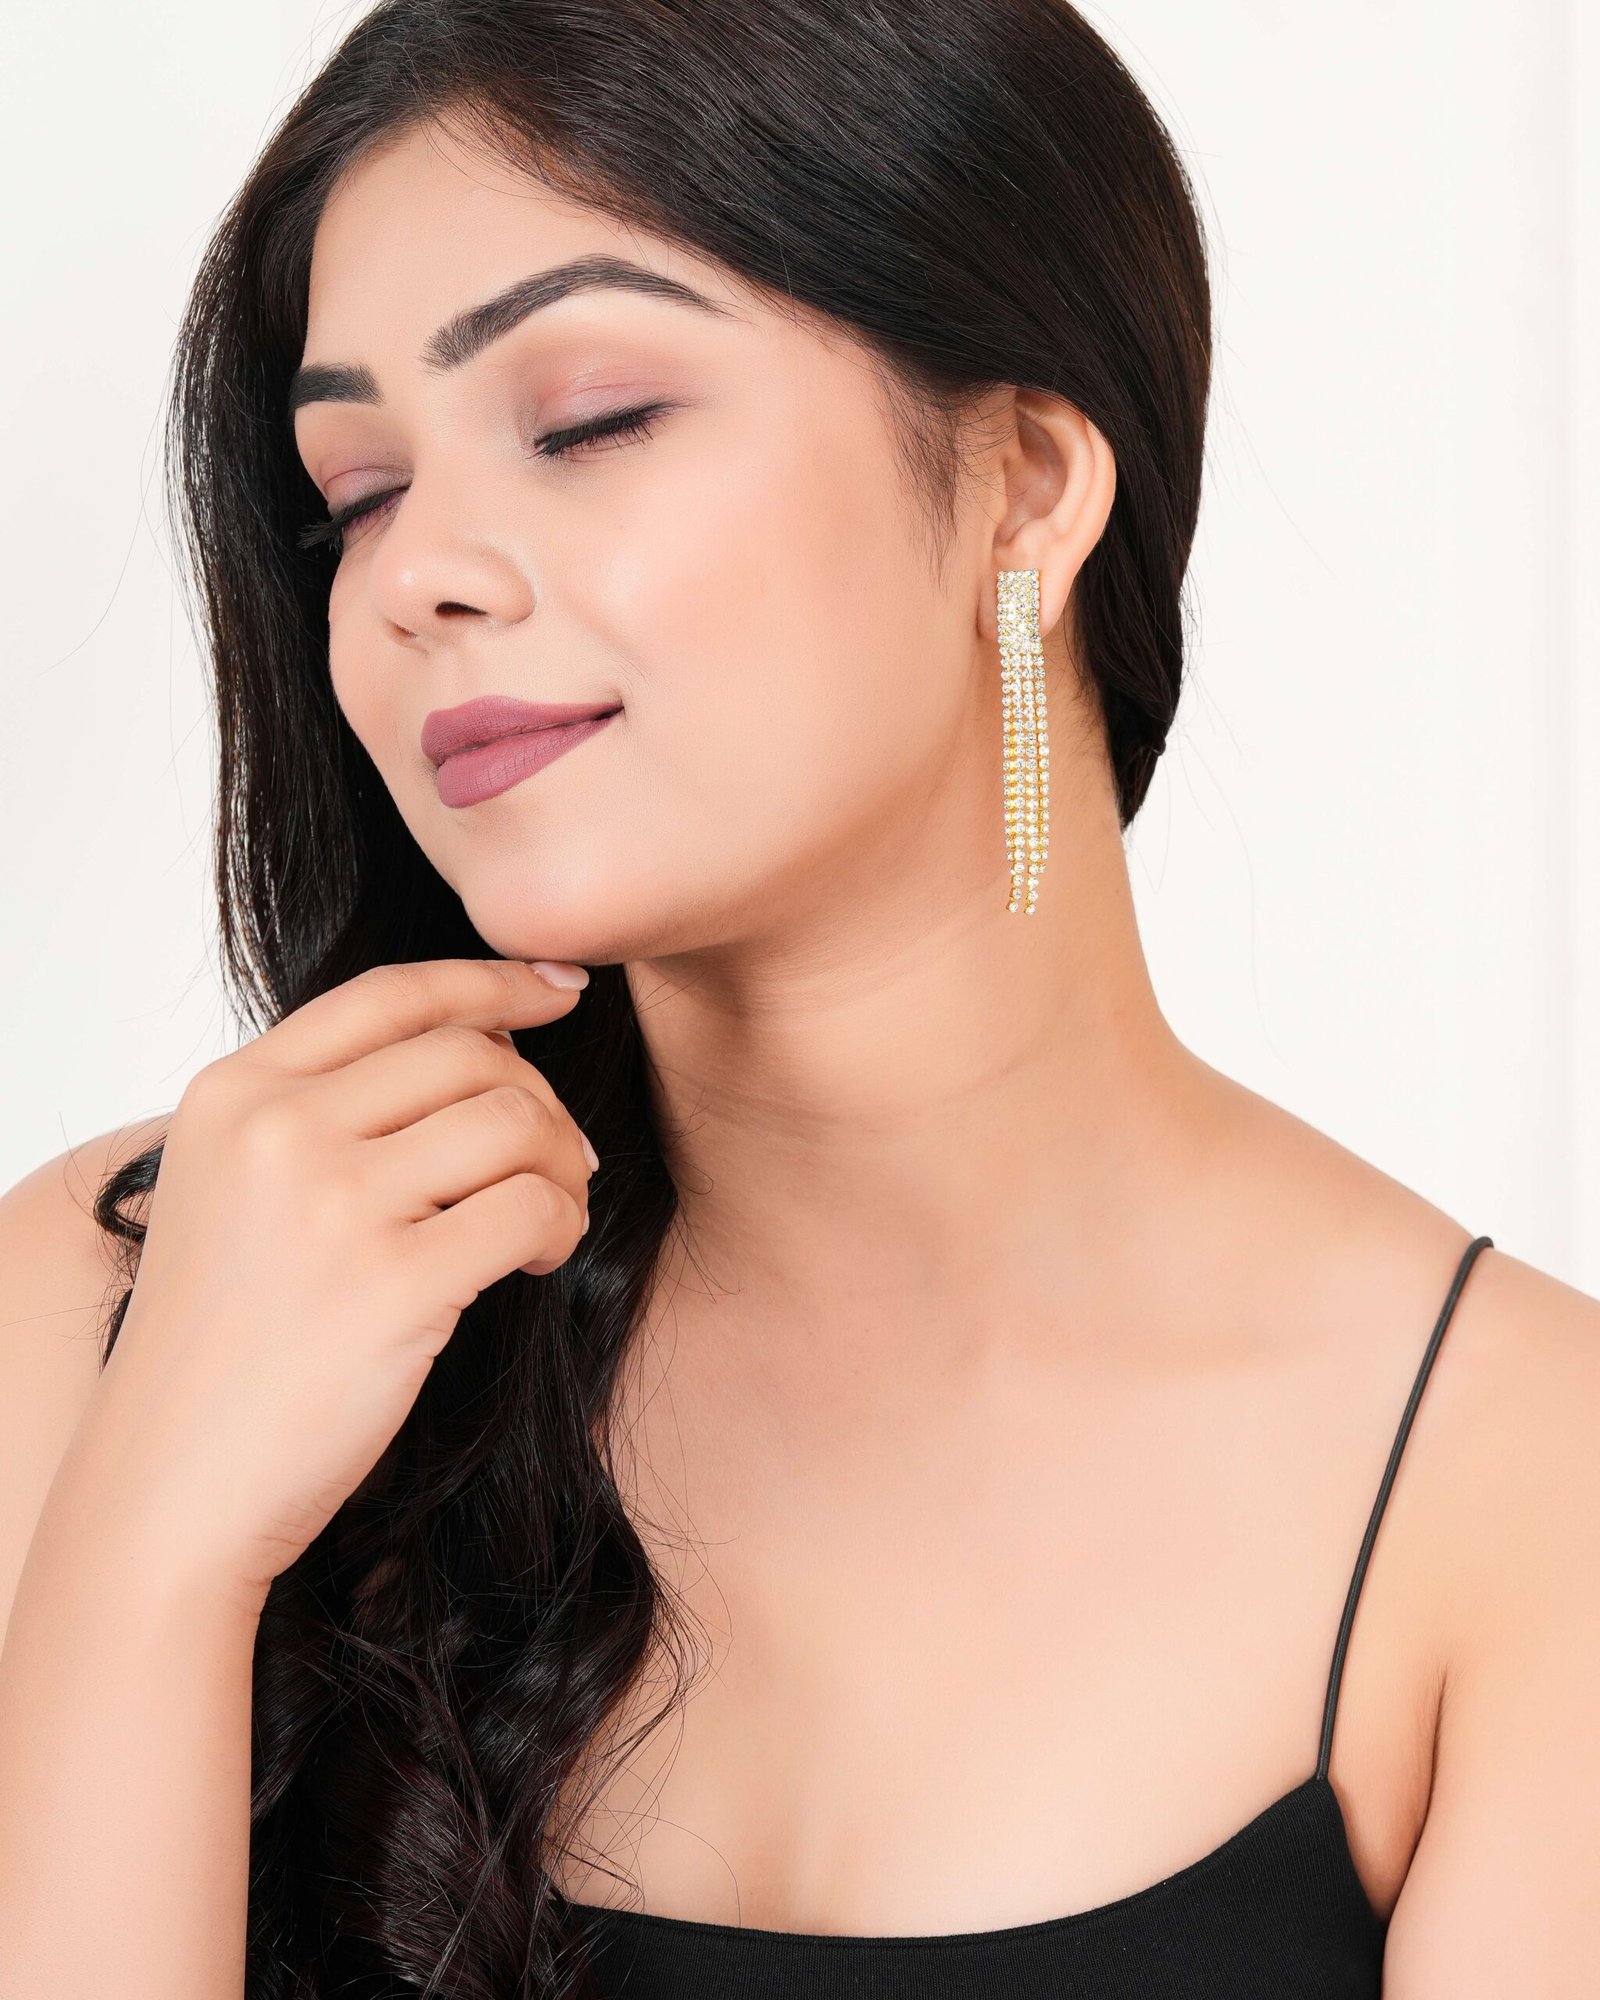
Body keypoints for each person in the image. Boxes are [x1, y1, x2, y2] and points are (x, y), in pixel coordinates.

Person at [1, 2, 1596, 1995]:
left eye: (589, 420)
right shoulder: (114, 1304)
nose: (414, 577)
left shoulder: (1529, 1502)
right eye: (359, 492)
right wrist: (153, 1558)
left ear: (1022, 485)